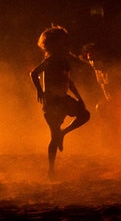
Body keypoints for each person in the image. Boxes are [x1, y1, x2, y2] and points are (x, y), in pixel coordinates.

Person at [30, 25, 91, 178]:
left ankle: (64, 133)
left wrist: (79, 99)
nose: (66, 45)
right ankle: (51, 170)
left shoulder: (64, 61)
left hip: (63, 100)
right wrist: (39, 90)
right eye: (62, 42)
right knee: (54, 137)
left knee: (84, 115)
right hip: (52, 103)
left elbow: (69, 82)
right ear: (54, 44)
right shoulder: (50, 60)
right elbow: (34, 73)